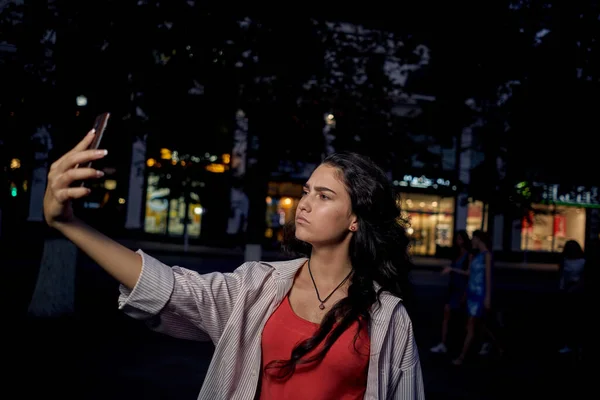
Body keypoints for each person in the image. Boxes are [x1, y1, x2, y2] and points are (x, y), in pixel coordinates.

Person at [43, 130, 425, 400]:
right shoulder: (256, 286)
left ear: (355, 219)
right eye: (306, 191)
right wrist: (70, 223)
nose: (304, 203)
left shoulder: (389, 318)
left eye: (324, 196)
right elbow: (167, 288)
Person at [452, 230, 496, 366]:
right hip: (471, 294)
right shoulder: (476, 255)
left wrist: (487, 297)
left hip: (479, 295)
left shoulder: (487, 256)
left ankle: (462, 357)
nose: (472, 242)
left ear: (478, 239)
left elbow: (488, 278)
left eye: (473, 239)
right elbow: (469, 274)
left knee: (471, 326)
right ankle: (496, 347)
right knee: (478, 325)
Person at [430, 230, 471, 354]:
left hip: (462, 289)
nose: (458, 241)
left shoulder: (468, 255)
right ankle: (444, 343)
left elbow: (469, 274)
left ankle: (463, 343)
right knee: (448, 314)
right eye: (457, 239)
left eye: (460, 239)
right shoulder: (457, 254)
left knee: (468, 319)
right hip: (454, 288)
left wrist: (452, 269)